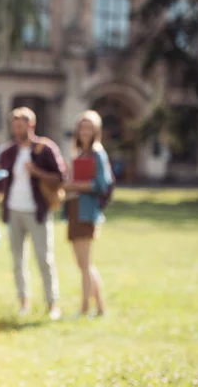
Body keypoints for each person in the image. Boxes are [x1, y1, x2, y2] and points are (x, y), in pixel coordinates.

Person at [0, 107, 66, 319]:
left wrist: (36, 172)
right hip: (14, 212)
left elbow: (61, 177)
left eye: (21, 125)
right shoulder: (8, 152)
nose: (17, 129)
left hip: (37, 212)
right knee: (18, 261)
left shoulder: (45, 149)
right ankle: (24, 302)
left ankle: (52, 303)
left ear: (31, 125)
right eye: (14, 125)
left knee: (44, 259)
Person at [62, 110, 112, 318]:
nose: (85, 131)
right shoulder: (79, 153)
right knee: (82, 263)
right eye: (83, 127)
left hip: (87, 212)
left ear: (96, 131)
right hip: (74, 209)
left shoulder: (98, 153)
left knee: (85, 264)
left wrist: (77, 185)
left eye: (90, 128)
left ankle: (85, 308)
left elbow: (102, 184)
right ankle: (100, 308)